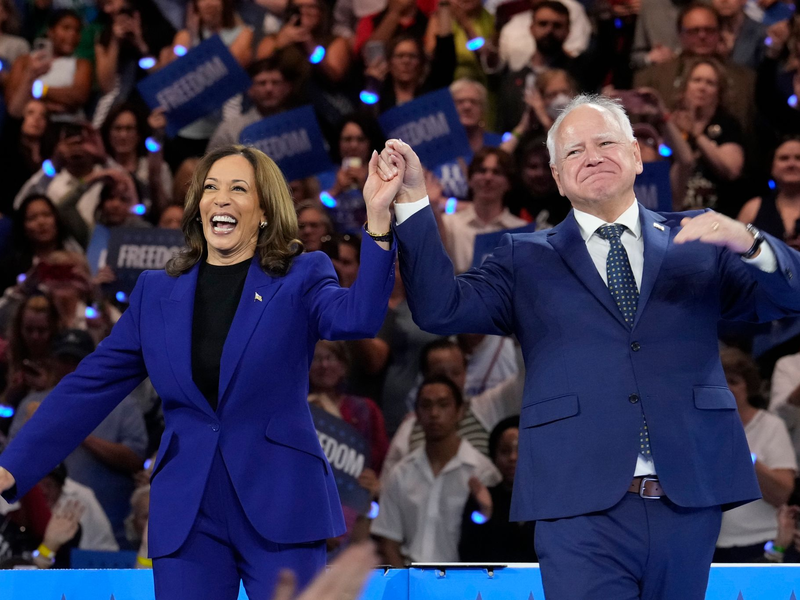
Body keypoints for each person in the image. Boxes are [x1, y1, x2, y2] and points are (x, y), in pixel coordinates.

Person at [382, 94, 800, 599]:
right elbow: (439, 309)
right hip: (577, 502)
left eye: (605, 143)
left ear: (636, 155)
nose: (593, 157)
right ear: (557, 178)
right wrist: (413, 201)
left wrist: (750, 241)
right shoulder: (522, 257)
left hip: (690, 496)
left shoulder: (700, 238)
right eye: (575, 151)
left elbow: (790, 296)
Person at [0, 142, 403, 599]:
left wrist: (377, 218)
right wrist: (12, 468)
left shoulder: (301, 276)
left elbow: (359, 318)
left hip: (281, 499)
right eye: (211, 188)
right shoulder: (156, 293)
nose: (221, 199)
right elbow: (89, 387)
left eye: (238, 189)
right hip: (187, 511)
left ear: (265, 211)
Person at [370, 376, 501, 565]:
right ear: (416, 413)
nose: (434, 413)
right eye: (426, 405)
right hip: (410, 574)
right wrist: (407, 581)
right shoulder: (400, 472)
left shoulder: (483, 472)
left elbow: (492, 541)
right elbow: (389, 541)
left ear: (460, 412)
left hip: (462, 577)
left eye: (443, 405)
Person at [715, 348, 797, 562]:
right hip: (715, 545)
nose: (726, 388)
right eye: (719, 381)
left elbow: (782, 494)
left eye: (733, 381)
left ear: (749, 386)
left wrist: (747, 458)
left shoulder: (771, 425)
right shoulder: (701, 429)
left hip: (765, 541)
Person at [458, 416, 537, 561]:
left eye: (520, 450)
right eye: (505, 451)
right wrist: (485, 512)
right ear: (494, 457)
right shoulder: (483, 497)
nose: (512, 457)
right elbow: (468, 554)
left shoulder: (548, 500)